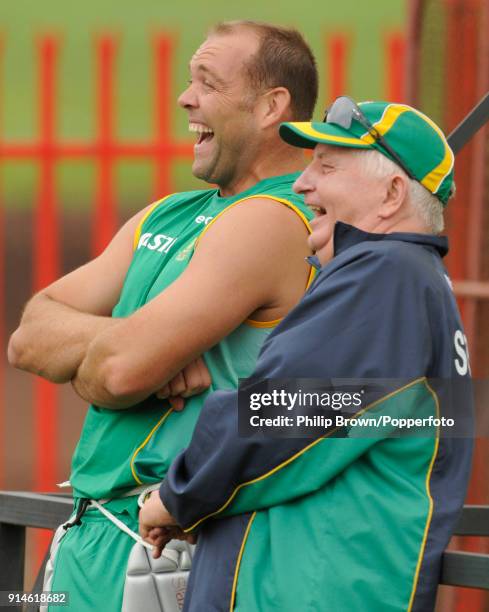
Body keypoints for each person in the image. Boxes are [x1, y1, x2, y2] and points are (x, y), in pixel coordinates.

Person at [7, 20, 319, 612]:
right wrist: (141, 344)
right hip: (95, 535)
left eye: (208, 82)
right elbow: (28, 337)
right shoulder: (171, 214)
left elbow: (118, 375)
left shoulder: (273, 219)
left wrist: (122, 353)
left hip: (167, 546)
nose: (185, 97)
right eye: (188, 80)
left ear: (270, 106)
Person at [139, 97, 474, 612]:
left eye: (327, 166)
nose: (301, 182)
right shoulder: (406, 281)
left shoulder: (387, 276)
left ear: (391, 195)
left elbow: (275, 415)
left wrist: (177, 496)